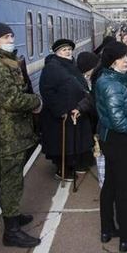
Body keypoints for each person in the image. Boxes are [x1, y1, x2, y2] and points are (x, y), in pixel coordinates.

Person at [0, 23, 42, 247]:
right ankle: (11, 232)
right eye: (5, 36)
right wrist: (36, 101)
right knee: (11, 179)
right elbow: (11, 99)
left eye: (11, 35)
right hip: (8, 131)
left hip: (14, 129)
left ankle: (13, 215)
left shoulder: (2, 61)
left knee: (14, 178)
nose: (10, 39)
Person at [94, 41, 127, 251]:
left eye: (126, 56)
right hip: (119, 140)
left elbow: (116, 109)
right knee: (122, 190)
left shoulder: (108, 79)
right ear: (111, 61)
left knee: (110, 186)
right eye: (120, 58)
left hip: (109, 139)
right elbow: (119, 121)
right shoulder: (112, 84)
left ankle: (107, 230)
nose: (126, 61)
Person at [39, 39, 94, 179]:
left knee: (74, 141)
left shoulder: (71, 64)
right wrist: (59, 111)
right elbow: (47, 91)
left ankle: (74, 164)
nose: (68, 52)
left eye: (69, 49)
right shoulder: (51, 68)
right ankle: (62, 170)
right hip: (61, 115)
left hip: (76, 111)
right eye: (64, 50)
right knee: (62, 144)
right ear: (57, 52)